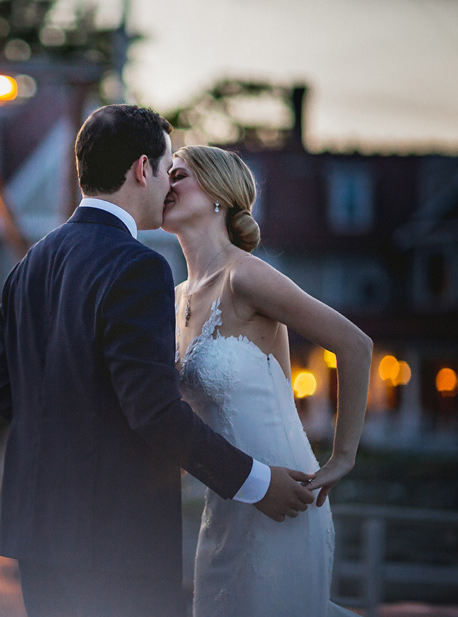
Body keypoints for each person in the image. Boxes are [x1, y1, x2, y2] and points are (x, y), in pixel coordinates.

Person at [0, 104, 316, 617]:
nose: (168, 184)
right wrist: (258, 483)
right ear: (143, 169)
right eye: (167, 169)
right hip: (116, 543)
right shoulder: (137, 267)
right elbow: (155, 413)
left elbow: (6, 396)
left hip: (36, 535)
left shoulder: (29, 264)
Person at [163, 144, 373, 616]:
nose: (166, 184)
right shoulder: (176, 298)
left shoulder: (246, 276)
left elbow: (355, 346)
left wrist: (342, 457)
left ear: (218, 193)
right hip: (229, 502)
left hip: (288, 498)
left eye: (179, 175)